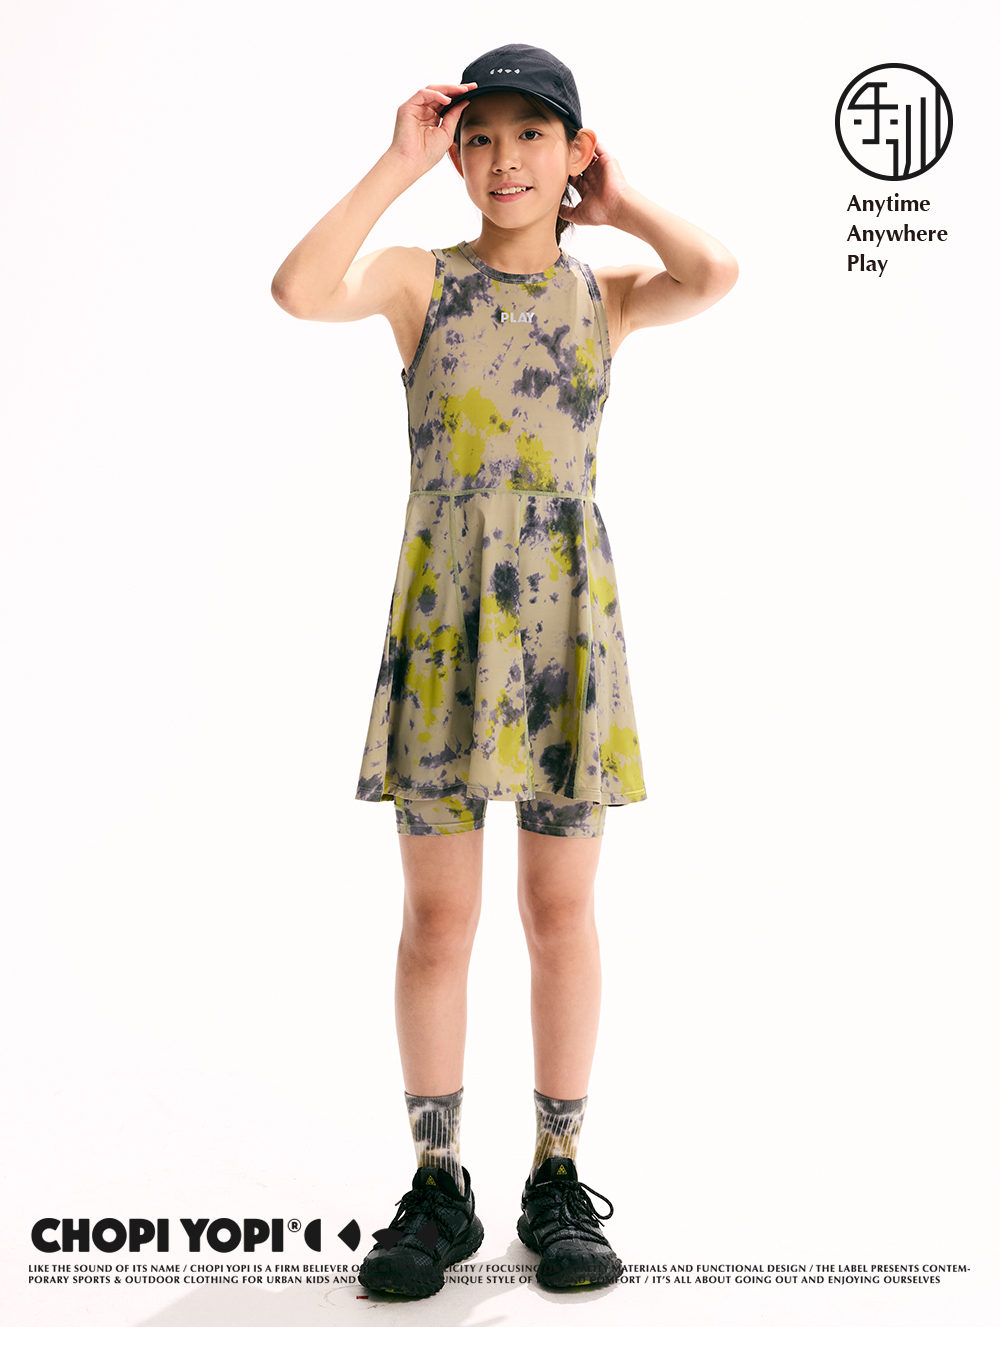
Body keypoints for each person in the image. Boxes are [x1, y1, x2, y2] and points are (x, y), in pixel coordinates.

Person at [271, 43, 738, 1299]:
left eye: (532, 134)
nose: (502, 159)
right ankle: (438, 1181)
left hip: (565, 633)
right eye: (479, 136)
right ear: (456, 153)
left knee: (559, 913)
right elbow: (299, 289)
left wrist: (621, 202)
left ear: (572, 151)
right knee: (437, 920)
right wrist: (396, 161)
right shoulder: (420, 281)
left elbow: (714, 271)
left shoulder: (604, 294)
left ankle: (556, 1170)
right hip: (446, 630)